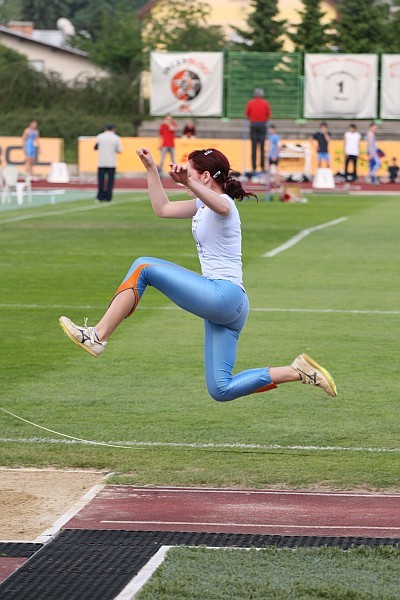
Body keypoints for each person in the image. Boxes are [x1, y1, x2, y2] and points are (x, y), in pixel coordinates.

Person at [59, 147, 337, 402]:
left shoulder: (224, 204)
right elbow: (162, 209)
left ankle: (97, 336)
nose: (184, 178)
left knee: (143, 267)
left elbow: (222, 206)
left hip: (223, 296)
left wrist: (187, 183)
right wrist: (151, 169)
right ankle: (297, 371)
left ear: (205, 177)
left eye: (190, 174)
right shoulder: (201, 205)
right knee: (221, 388)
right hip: (233, 306)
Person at [245, 88, 271, 173]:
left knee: (254, 147)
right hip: (262, 125)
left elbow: (247, 114)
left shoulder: (250, 103)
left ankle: (254, 167)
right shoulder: (265, 103)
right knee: (262, 147)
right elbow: (268, 114)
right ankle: (262, 167)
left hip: (254, 125)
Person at [94, 124, 122, 202]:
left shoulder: (100, 136)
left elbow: (95, 147)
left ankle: (100, 197)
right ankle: (109, 197)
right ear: (113, 129)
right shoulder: (116, 138)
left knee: (101, 181)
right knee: (110, 181)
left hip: (101, 162)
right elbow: (119, 150)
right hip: (111, 162)